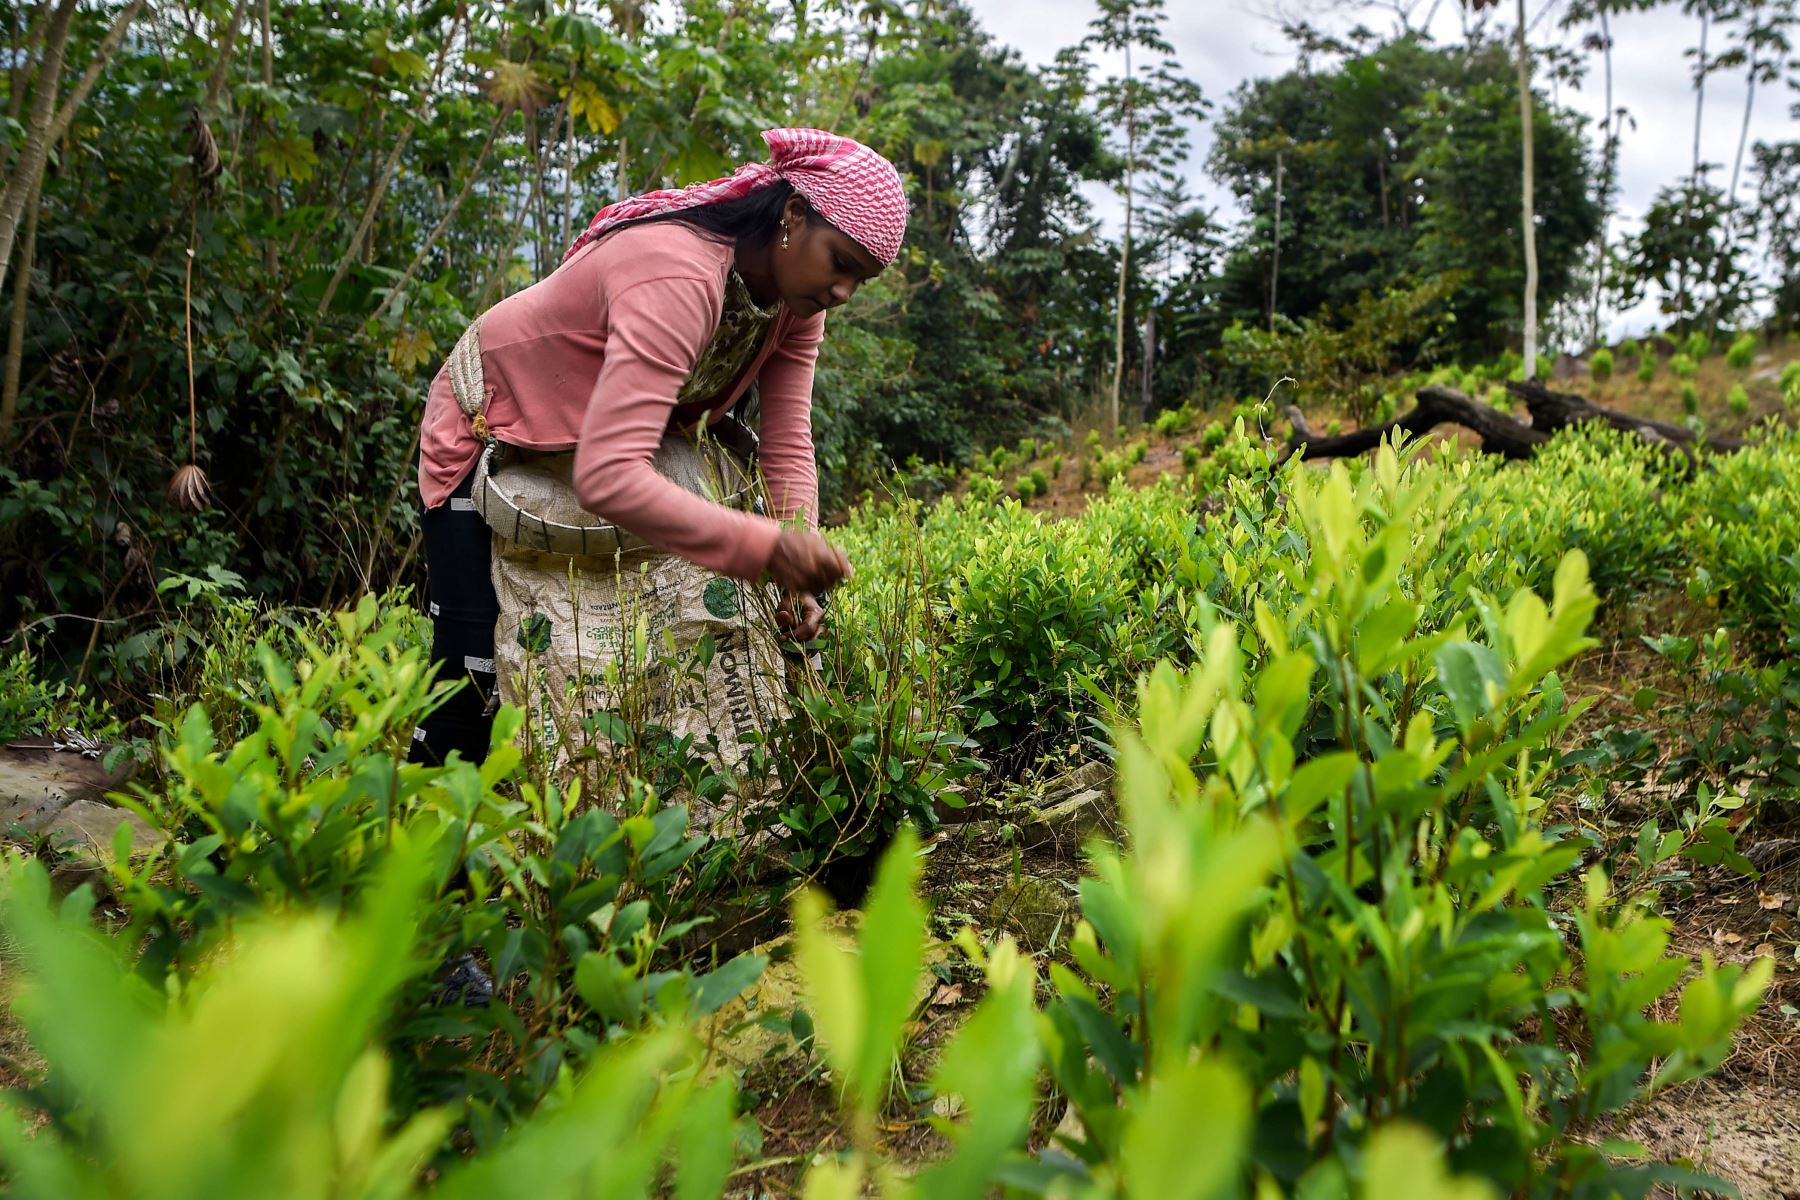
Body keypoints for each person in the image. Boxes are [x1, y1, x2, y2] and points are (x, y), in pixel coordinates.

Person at [408, 128, 907, 768]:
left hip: (588, 444)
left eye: (859, 281)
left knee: (621, 674)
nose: (842, 292)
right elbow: (610, 476)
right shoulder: (678, 273)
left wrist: (797, 572)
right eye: (840, 262)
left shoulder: (794, 309)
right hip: (490, 427)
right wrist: (769, 550)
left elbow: (786, 443)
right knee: (472, 683)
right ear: (793, 214)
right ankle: (418, 846)